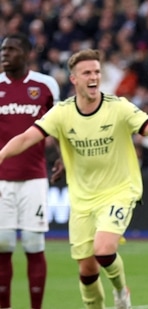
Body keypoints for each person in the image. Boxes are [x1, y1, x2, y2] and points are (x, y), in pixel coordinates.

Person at [0, 49, 148, 309]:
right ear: (74, 80)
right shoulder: (62, 112)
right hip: (81, 200)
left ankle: (121, 291)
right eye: (87, 73)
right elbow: (26, 137)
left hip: (119, 191)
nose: (94, 77)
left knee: (104, 249)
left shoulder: (119, 107)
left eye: (97, 72)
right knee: (87, 272)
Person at [0, 33, 61, 309]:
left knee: (34, 242)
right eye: (3, 50)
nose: (4, 54)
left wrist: (61, 156)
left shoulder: (45, 85)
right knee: (3, 245)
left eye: (11, 50)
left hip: (34, 177)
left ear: (26, 54)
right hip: (2, 178)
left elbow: (59, 123)